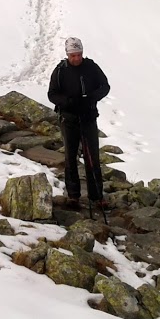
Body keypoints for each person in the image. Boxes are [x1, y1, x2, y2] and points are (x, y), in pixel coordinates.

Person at [48, 37, 110, 210]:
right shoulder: (60, 70)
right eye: (73, 55)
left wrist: (91, 98)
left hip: (88, 118)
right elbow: (52, 94)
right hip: (68, 120)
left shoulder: (91, 67)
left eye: (79, 54)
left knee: (92, 157)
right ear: (67, 54)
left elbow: (105, 86)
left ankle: (97, 196)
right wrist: (67, 102)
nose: (77, 58)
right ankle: (73, 196)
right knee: (71, 157)